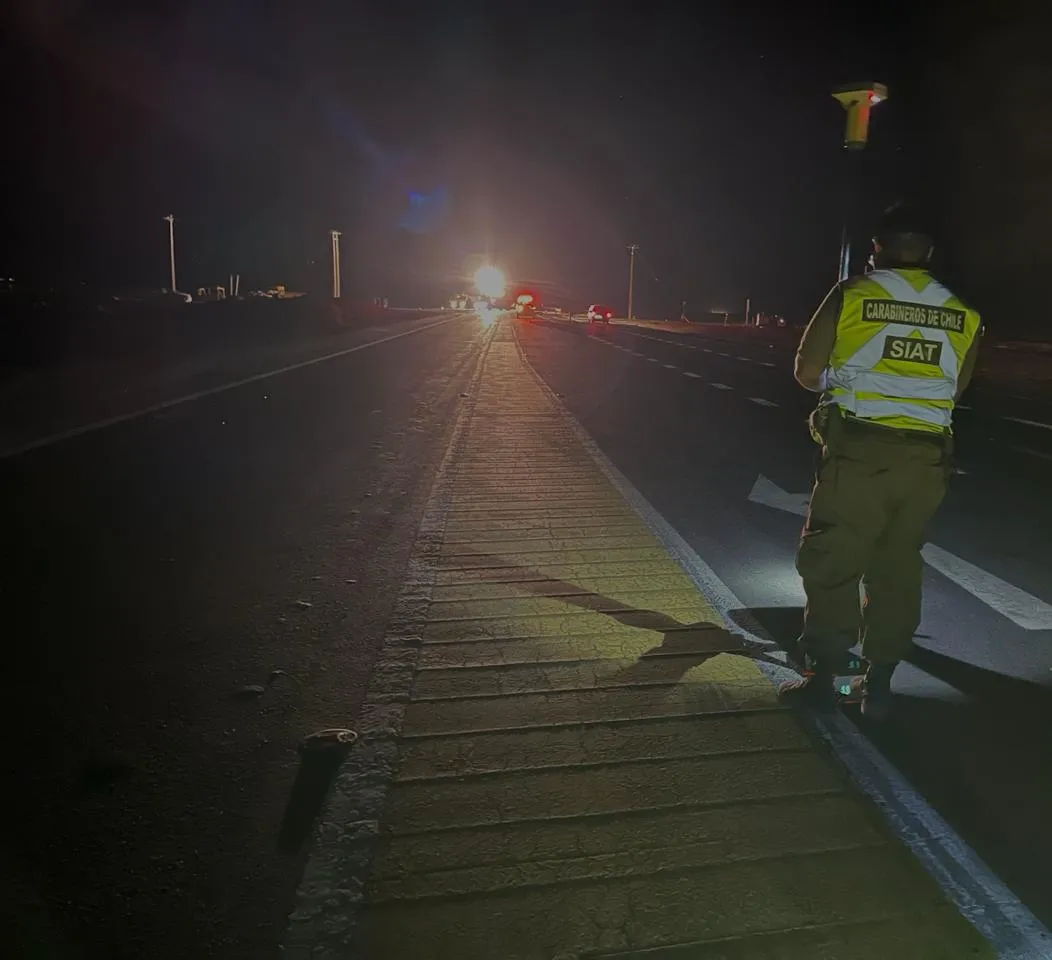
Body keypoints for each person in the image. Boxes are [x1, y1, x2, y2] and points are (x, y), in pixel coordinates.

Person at [779, 202, 982, 719]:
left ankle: (827, 680)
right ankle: (881, 684)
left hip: (861, 452)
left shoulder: (852, 294)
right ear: (930, 252)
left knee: (833, 560)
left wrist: (844, 386)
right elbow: (953, 392)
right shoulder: (963, 313)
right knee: (897, 567)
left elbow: (807, 371)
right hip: (926, 460)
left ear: (877, 247)